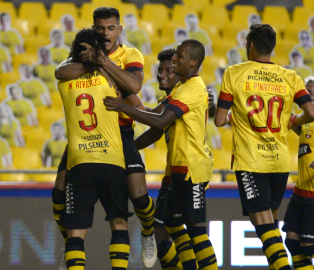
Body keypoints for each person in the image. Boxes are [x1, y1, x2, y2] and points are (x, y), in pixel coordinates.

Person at [54, 7, 157, 269]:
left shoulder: (130, 55)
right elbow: (60, 71)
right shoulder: (79, 59)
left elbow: (134, 88)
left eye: (111, 28)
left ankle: (148, 229)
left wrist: (101, 61)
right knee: (58, 190)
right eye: (100, 28)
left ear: (119, 30)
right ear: (94, 29)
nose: (106, 33)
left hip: (119, 133)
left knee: (139, 196)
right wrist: (92, 61)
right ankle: (68, 240)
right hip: (86, 135)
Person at [105, 40, 218, 270]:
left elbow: (161, 120)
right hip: (177, 170)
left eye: (179, 57)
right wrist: (127, 149)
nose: (174, 61)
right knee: (167, 224)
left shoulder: (193, 88)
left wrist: (122, 107)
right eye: (172, 58)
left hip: (192, 169)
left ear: (193, 62)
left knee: (196, 230)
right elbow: (155, 119)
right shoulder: (180, 89)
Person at [215, 24, 314, 270]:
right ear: (272, 47)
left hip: (251, 160)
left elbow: (218, 120)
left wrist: (231, 117)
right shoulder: (290, 76)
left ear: (250, 45)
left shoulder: (234, 73)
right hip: (280, 162)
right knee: (273, 225)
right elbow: (311, 112)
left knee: (265, 229)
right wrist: (294, 120)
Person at [58, 28, 131, 270]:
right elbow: (133, 89)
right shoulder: (112, 79)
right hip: (112, 160)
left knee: (76, 232)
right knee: (119, 223)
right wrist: (100, 63)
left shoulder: (65, 80)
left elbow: (60, 70)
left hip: (80, 162)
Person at [283, 76, 314, 270]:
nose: (307, 96)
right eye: (305, 92)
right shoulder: (305, 122)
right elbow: (286, 121)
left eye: (311, 92)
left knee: (308, 247)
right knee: (293, 243)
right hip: (300, 193)